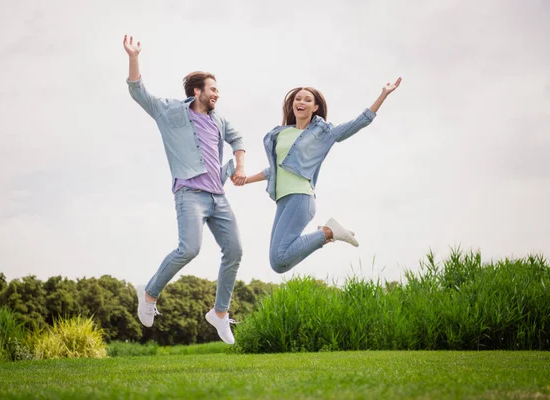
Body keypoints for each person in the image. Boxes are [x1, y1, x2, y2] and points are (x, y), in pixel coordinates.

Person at [123, 34, 246, 344]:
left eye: (218, 89)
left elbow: (238, 139)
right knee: (189, 248)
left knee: (234, 251)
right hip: (190, 194)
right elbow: (138, 92)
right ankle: (149, 294)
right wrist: (134, 57)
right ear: (197, 91)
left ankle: (219, 313)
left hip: (218, 196)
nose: (217, 94)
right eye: (213, 89)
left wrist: (239, 166)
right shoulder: (171, 111)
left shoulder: (219, 120)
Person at [243, 78, 402, 274]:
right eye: (298, 99)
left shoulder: (322, 134)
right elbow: (275, 169)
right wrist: (246, 179)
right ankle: (326, 233)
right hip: (282, 201)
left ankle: (327, 232)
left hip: (300, 197)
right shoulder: (280, 134)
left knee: (281, 257)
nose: (301, 102)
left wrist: (383, 94)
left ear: (315, 107)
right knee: (277, 263)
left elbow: (359, 122)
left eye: (307, 100)